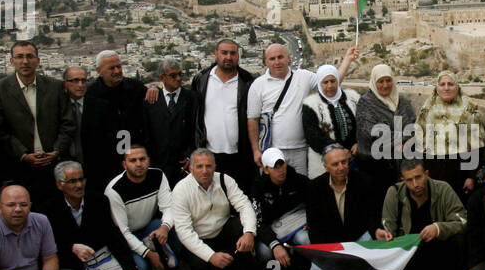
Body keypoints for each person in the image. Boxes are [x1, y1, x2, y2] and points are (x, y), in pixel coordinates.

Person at [377, 159, 467, 270]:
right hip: (411, 256)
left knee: (461, 242)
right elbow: (388, 235)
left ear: (426, 174)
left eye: (418, 177)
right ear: (403, 180)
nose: (415, 184)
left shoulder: (443, 189)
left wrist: (438, 228)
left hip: (440, 250)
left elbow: (462, 221)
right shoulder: (394, 192)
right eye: (409, 180)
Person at [247, 42, 358, 178]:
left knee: (300, 186)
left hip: (300, 150)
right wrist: (256, 150)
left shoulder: (304, 77)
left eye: (280, 57)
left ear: (288, 58)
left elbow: (331, 83)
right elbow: (253, 119)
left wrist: (347, 60)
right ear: (266, 62)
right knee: (274, 185)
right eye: (272, 58)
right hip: (272, 149)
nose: (277, 62)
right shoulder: (258, 85)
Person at [0, 41, 75, 204]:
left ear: (38, 60)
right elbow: (0, 129)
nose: (25, 61)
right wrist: (23, 155)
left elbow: (67, 122)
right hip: (19, 168)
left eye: (29, 56)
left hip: (54, 165)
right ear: (11, 61)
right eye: (19, 57)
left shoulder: (55, 87)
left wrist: (57, 150)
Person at [42, 161, 139, 270]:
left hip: (101, 257)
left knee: (140, 268)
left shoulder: (98, 200)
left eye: (81, 179)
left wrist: (128, 265)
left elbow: (112, 234)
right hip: (70, 262)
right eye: (72, 181)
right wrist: (72, 247)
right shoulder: (49, 210)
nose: (79, 185)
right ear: (59, 185)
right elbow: (49, 246)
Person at [167, 149, 259, 270]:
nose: (204, 171)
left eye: (208, 166)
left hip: (222, 230)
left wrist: (249, 232)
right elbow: (184, 231)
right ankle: (216, 261)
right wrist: (211, 256)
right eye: (199, 166)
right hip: (199, 237)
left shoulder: (225, 180)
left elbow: (244, 205)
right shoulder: (181, 190)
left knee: (240, 226)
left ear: (215, 167)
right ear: (191, 168)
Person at [104, 145, 183, 270]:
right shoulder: (114, 190)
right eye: (133, 160)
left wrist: (165, 228)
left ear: (148, 160)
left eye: (142, 159)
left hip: (148, 228)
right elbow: (122, 232)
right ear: (124, 164)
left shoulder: (158, 175)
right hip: (126, 237)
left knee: (166, 225)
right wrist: (148, 254)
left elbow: (168, 208)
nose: (139, 164)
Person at [305, 144, 381, 270]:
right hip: (333, 244)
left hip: (358, 238)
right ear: (326, 167)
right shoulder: (315, 187)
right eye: (335, 164)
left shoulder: (364, 181)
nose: (341, 167)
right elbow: (314, 225)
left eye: (344, 162)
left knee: (374, 240)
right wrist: (326, 252)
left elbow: (373, 214)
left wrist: (376, 230)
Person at [190, 39, 256, 188]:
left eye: (232, 53)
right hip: (209, 155)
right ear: (216, 54)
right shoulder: (201, 80)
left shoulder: (248, 82)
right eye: (224, 53)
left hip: (239, 155)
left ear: (238, 56)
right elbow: (192, 115)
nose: (228, 57)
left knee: (238, 195)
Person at [83, 51, 150, 184]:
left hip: (136, 160)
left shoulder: (135, 88)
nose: (117, 71)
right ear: (99, 71)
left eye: (119, 66)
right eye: (111, 68)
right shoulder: (91, 95)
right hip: (106, 164)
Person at [417, 71, 484, 198]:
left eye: (450, 84)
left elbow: (476, 146)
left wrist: (471, 176)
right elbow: (420, 142)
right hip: (433, 171)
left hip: (460, 172)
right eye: (442, 84)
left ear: (457, 86)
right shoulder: (428, 109)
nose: (446, 88)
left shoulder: (469, 110)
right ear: (437, 87)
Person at [356, 63, 417, 200]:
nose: (385, 85)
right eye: (380, 81)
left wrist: (406, 143)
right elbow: (372, 133)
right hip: (376, 166)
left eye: (388, 80)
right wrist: (402, 141)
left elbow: (414, 126)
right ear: (374, 82)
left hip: (403, 163)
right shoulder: (366, 103)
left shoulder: (402, 101)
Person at [251, 147, 311, 270]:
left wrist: (312, 220)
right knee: (264, 252)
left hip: (296, 224)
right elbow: (258, 221)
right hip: (271, 228)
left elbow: (315, 203)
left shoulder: (300, 180)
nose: (280, 170)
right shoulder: (258, 187)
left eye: (282, 164)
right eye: (275, 167)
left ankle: (300, 262)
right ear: (266, 170)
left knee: (305, 238)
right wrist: (275, 245)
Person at [143, 57, 195, 187]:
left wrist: (190, 155)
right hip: (158, 166)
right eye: (173, 75)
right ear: (162, 78)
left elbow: (198, 130)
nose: (178, 78)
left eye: (180, 74)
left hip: (184, 166)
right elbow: (146, 133)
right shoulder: (152, 101)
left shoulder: (192, 98)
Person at [301, 64, 359, 176]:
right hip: (322, 163)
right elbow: (312, 135)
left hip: (353, 159)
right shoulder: (310, 104)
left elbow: (362, 123)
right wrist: (339, 151)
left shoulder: (353, 98)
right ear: (319, 84)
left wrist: (358, 143)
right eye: (325, 82)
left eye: (333, 81)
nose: (330, 85)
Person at [61, 66, 90, 166]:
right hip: (65, 162)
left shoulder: (97, 105)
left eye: (83, 81)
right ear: (65, 84)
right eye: (75, 81)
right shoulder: (57, 107)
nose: (80, 85)